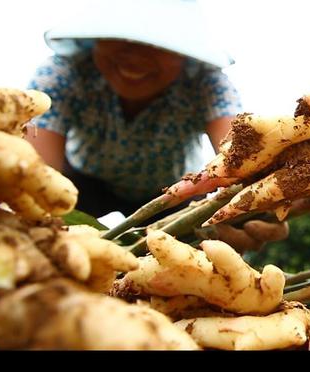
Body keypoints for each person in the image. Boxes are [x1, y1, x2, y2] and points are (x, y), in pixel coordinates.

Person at [26, 0, 288, 252]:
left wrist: (259, 200)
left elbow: (241, 158)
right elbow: (37, 181)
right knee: (45, 236)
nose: (136, 56)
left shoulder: (206, 84)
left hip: (175, 192)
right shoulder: (62, 74)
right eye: (119, 35)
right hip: (85, 183)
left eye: (158, 43)